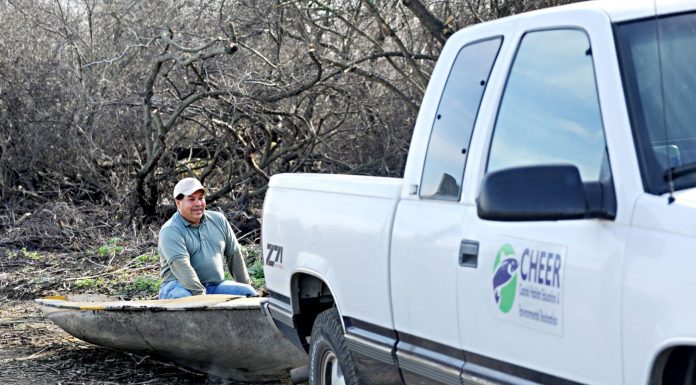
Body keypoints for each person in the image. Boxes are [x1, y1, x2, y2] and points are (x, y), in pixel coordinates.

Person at [158, 177, 257, 299]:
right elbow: (182, 267)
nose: (198, 204)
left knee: (247, 292)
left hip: (214, 286)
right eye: (191, 199)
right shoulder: (171, 230)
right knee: (185, 298)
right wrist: (202, 298)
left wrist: (247, 290)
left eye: (201, 198)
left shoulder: (218, 220)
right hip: (180, 286)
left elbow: (235, 256)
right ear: (178, 203)